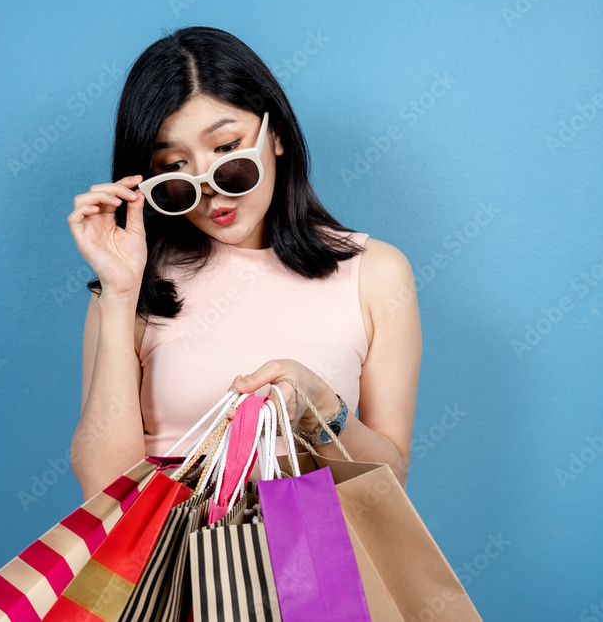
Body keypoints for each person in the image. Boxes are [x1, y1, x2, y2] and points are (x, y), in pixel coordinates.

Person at [66, 26, 421, 501]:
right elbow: (104, 489)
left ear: (275, 136)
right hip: (170, 567)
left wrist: (320, 409)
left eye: (228, 150)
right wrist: (119, 294)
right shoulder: (134, 285)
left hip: (314, 566)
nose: (208, 188)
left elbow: (389, 480)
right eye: (174, 169)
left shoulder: (375, 274)